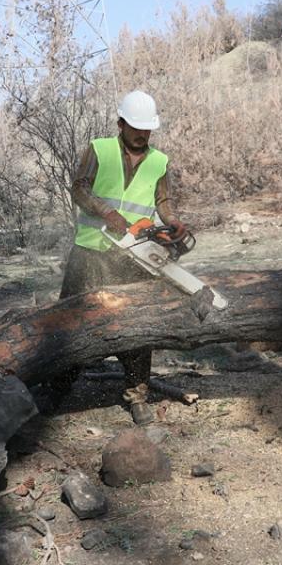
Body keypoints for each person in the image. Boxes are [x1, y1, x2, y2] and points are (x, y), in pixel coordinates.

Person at [56, 90, 189, 424]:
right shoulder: (99, 150)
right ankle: (56, 386)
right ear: (121, 123)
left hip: (132, 254)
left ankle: (137, 394)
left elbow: (163, 201)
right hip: (90, 250)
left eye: (147, 129)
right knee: (70, 320)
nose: (142, 134)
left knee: (137, 324)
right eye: (136, 128)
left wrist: (171, 221)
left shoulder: (159, 161)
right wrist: (106, 211)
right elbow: (79, 189)